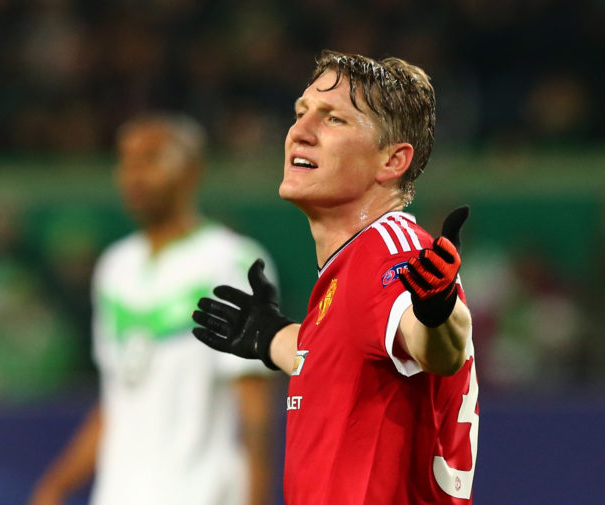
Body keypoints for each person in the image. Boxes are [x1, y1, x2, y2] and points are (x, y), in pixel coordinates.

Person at [192, 50, 478, 504]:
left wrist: (438, 311)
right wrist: (272, 337)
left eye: (333, 120)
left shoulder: (392, 251)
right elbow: (337, 356)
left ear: (392, 161)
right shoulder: (354, 264)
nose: (299, 132)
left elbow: (437, 347)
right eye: (301, 113)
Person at [29, 115, 275, 505]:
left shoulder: (232, 261)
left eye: (151, 159)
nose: (134, 175)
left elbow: (255, 411)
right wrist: (56, 484)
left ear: (193, 171)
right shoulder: (115, 267)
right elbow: (117, 399)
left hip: (202, 492)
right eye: (126, 161)